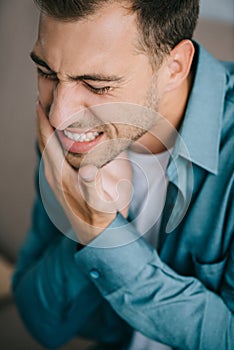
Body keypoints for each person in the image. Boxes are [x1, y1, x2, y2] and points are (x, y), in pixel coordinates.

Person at [12, 0, 234, 349]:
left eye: (97, 86)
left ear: (174, 67)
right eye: (46, 72)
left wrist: (101, 232)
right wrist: (78, 228)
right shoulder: (72, 134)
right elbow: (41, 323)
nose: (59, 115)